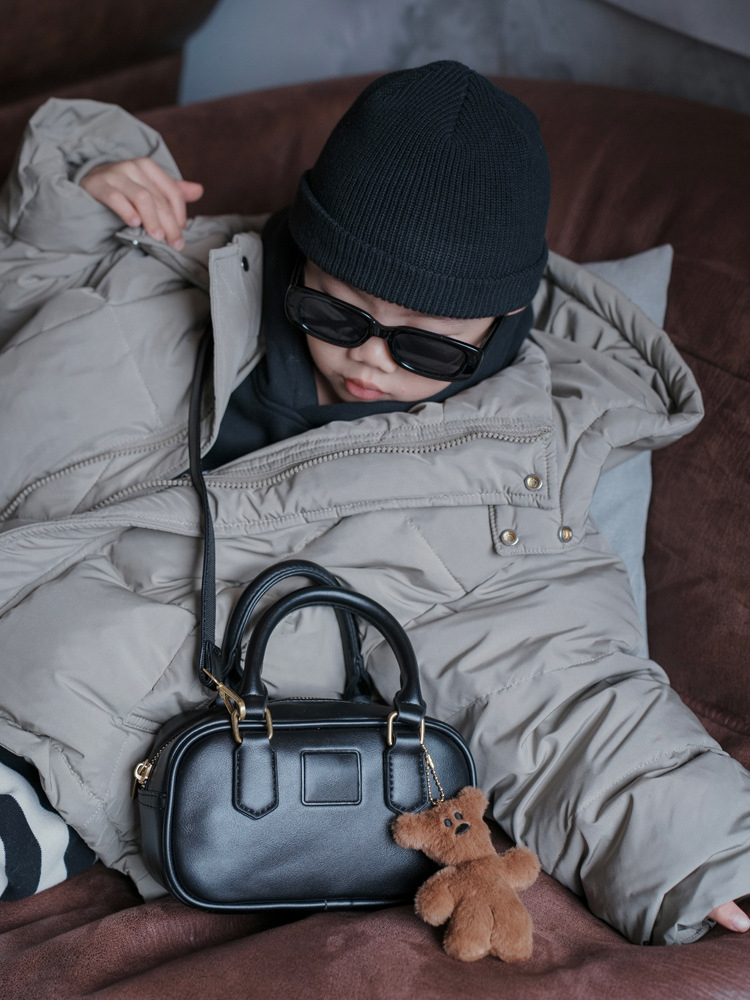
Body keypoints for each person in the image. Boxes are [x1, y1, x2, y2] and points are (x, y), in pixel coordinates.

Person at [0, 62, 747, 944]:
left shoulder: (509, 489)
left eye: (426, 350)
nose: (371, 363)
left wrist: (704, 851)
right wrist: (91, 174)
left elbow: (562, 689)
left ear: (506, 316)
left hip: (72, 746)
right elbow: (38, 259)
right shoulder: (169, 272)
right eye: (338, 313)